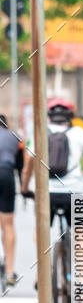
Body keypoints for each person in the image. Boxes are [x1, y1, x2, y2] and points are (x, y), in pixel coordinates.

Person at [21, 98, 83, 239]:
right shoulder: (80, 133)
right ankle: (81, 260)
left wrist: (25, 189)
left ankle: (43, 259)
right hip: (73, 191)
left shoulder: (39, 132)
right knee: (79, 232)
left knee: (40, 234)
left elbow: (28, 167)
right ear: (71, 116)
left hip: (47, 193)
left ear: (49, 116)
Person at [0, 115, 24, 287]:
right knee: (8, 224)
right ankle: (9, 272)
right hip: (6, 175)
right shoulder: (14, 137)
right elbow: (21, 166)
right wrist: (24, 189)